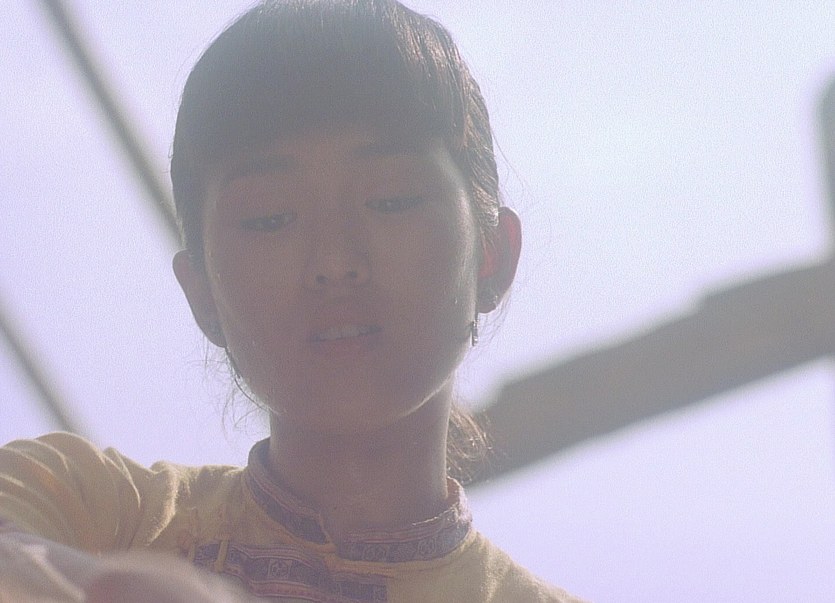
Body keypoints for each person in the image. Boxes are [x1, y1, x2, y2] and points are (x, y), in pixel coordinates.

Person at [0, 1, 585, 601]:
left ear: (492, 254)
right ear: (203, 294)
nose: (334, 261)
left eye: (391, 201)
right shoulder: (92, 508)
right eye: (269, 218)